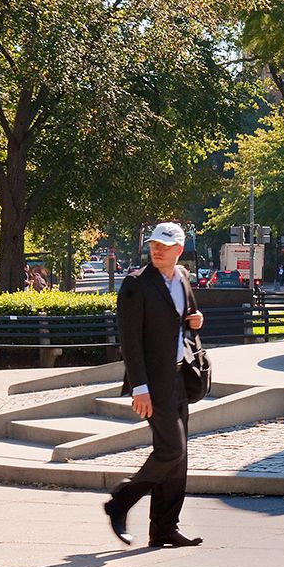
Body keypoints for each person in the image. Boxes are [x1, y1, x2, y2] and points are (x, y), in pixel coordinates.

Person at [104, 221, 204, 548]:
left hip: (179, 376)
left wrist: (194, 320)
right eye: (153, 244)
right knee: (171, 448)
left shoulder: (183, 278)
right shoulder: (136, 284)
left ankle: (164, 527)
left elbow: (183, 320)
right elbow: (129, 342)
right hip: (152, 382)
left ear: (179, 249)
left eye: (163, 244)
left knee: (179, 456)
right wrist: (139, 387)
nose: (156, 250)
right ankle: (121, 500)